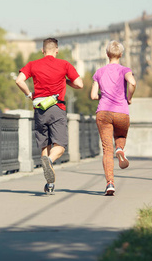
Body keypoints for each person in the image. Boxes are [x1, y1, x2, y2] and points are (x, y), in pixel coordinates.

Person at [16, 38, 83, 194]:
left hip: (40, 109)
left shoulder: (33, 64)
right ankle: (50, 161)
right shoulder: (64, 65)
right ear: (56, 50)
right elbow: (79, 84)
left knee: (45, 145)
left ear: (43, 50)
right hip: (56, 107)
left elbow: (19, 80)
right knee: (59, 146)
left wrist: (29, 94)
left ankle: (49, 184)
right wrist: (66, 81)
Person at [90, 40, 136, 196]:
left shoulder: (99, 72)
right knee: (121, 135)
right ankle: (120, 149)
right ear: (121, 54)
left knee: (106, 150)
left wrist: (100, 96)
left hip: (103, 112)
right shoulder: (125, 70)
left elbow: (93, 95)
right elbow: (133, 82)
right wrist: (129, 97)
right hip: (122, 112)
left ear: (107, 54)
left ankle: (110, 183)